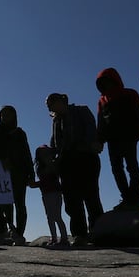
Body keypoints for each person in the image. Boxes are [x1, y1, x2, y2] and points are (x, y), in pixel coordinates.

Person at [46, 92, 104, 245]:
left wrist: (90, 145)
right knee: (72, 200)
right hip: (66, 163)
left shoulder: (81, 111)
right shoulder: (56, 122)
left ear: (63, 100)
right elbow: (55, 143)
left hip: (86, 158)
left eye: (55, 102)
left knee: (91, 196)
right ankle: (79, 234)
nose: (53, 106)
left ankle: (98, 232)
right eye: (50, 105)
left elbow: (91, 130)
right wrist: (52, 158)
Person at [96, 67, 139, 210]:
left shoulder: (129, 94)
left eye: (108, 81)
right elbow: (101, 122)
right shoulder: (102, 101)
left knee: (132, 166)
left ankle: (137, 198)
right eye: (103, 83)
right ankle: (127, 198)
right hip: (112, 140)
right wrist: (100, 140)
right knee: (116, 169)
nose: (106, 85)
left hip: (129, 136)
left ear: (114, 80)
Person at [0, 105, 34, 243]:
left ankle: (19, 233)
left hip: (20, 173)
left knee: (20, 204)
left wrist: (31, 174)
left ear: (14, 116)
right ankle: (10, 228)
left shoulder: (20, 133)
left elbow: (27, 154)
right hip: (2, 173)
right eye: (2, 114)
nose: (5, 117)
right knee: (5, 204)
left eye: (8, 114)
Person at [30, 145, 69, 246]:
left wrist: (36, 184)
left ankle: (63, 238)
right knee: (50, 217)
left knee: (56, 216)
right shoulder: (42, 167)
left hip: (54, 193)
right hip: (47, 194)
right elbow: (44, 181)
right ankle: (54, 237)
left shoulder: (52, 165)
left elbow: (47, 179)